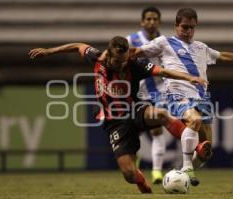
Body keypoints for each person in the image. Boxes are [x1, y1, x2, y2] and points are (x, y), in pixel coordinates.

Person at [28, 36, 208, 193]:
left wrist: (188, 78)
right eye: (118, 62)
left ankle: (197, 147)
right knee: (129, 174)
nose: (122, 65)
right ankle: (141, 182)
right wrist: (49, 52)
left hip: (135, 110)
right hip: (115, 122)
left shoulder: (134, 64)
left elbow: (162, 71)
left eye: (124, 61)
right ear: (109, 54)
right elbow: (77, 46)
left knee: (161, 114)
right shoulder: (97, 57)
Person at [132, 8, 233, 186]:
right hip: (177, 93)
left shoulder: (201, 47)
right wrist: (109, 56)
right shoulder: (163, 42)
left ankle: (182, 173)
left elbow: (223, 56)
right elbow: (136, 52)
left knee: (206, 149)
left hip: (202, 97)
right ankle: (187, 167)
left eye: (192, 27)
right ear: (176, 26)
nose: (188, 31)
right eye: (184, 27)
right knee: (194, 120)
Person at [126, 6, 166, 184]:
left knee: (157, 129)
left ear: (159, 21)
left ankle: (157, 171)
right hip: (138, 91)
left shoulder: (165, 41)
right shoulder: (131, 40)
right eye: (148, 19)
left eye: (154, 19)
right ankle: (138, 162)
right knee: (137, 129)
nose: (151, 22)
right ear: (142, 21)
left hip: (160, 92)